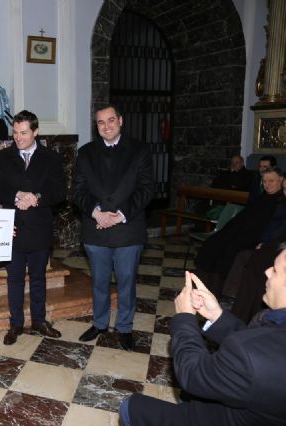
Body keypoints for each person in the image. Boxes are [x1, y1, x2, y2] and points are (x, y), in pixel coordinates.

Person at [120, 258, 286, 426]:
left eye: (276, 271)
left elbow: (192, 375)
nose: (267, 271)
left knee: (131, 407)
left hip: (224, 418)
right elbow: (260, 346)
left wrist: (185, 318)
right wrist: (217, 316)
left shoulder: (250, 355)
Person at [72, 104, 154, 350]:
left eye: (111, 120)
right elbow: (77, 190)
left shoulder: (140, 150)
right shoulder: (85, 152)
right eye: (100, 122)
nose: (106, 126)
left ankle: (124, 327)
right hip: (96, 227)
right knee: (99, 280)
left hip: (127, 228)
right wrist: (96, 213)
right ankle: (99, 323)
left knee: (127, 281)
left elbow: (146, 188)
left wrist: (121, 214)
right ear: (96, 127)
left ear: (120, 120)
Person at [0, 110, 66, 345]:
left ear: (35, 131)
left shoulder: (50, 157)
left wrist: (36, 198)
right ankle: (16, 324)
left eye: (23, 133)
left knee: (39, 278)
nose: (18, 138)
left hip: (40, 227)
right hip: (13, 229)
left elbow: (59, 191)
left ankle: (40, 321)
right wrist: (16, 195)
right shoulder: (4, 156)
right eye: (15, 133)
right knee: (14, 279)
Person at [196, 167, 285, 296]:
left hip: (254, 236)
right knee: (213, 242)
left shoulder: (280, 201)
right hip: (241, 231)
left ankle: (217, 288)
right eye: (264, 181)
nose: (267, 184)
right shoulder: (263, 197)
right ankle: (203, 284)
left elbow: (269, 226)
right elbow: (245, 216)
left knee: (230, 249)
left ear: (280, 180)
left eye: (271, 181)